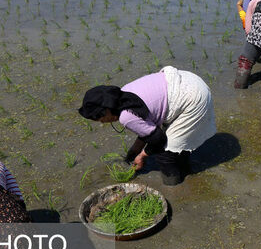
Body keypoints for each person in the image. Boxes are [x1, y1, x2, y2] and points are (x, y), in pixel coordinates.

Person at [79, 66, 216, 185]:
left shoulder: (126, 116)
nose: (101, 122)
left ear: (107, 109)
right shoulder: (123, 95)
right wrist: (133, 152)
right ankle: (184, 166)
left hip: (193, 97)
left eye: (99, 117)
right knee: (176, 141)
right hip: (188, 80)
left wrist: (142, 156)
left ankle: (175, 188)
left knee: (165, 154)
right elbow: (146, 128)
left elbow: (158, 139)